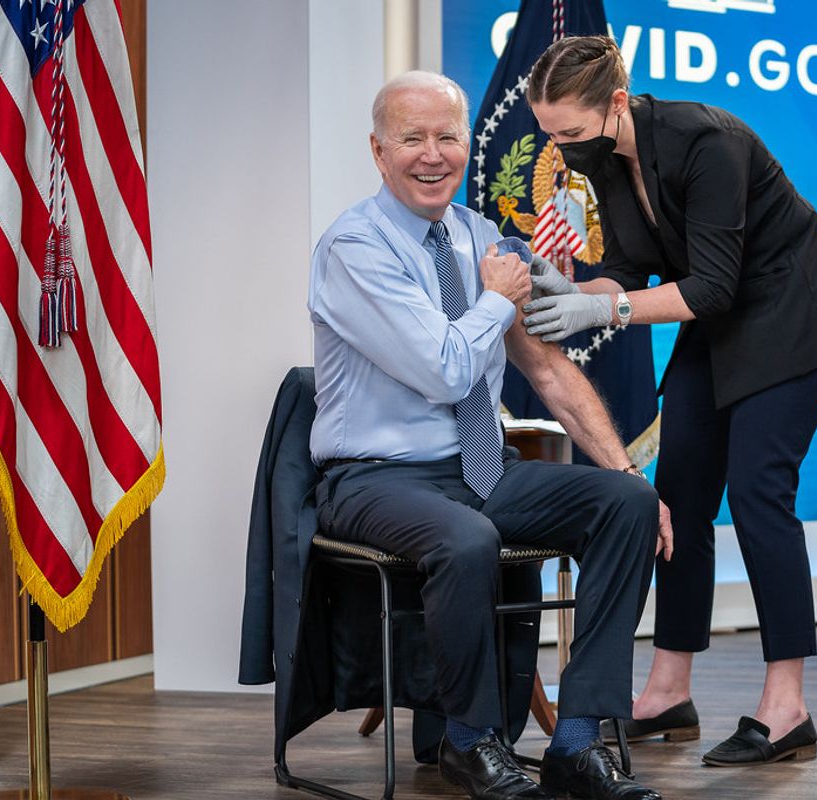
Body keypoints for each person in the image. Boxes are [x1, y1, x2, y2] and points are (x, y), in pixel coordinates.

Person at [308, 70, 672, 800]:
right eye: (414, 138)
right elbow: (443, 371)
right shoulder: (355, 247)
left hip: (477, 470)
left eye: (447, 136)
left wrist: (628, 476)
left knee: (626, 507)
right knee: (466, 538)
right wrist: (496, 301)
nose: (433, 154)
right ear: (379, 151)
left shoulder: (478, 236)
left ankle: (577, 739)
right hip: (375, 477)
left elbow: (549, 371)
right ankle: (470, 741)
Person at [522, 36, 817, 767]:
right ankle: (667, 691)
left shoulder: (707, 139)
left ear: (617, 102)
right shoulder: (609, 156)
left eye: (570, 134)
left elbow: (712, 284)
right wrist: (574, 293)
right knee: (676, 494)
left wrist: (606, 315)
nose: (560, 151)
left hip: (792, 314)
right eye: (547, 135)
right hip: (716, 323)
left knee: (759, 490)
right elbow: (627, 268)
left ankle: (786, 708)